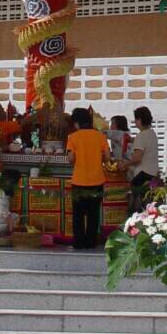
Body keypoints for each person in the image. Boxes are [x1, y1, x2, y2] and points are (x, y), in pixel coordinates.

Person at [66, 107, 111, 249]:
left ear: (76, 122)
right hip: (97, 180)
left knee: (78, 214)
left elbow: (71, 158)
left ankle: (78, 242)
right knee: (93, 213)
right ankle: (91, 242)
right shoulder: (100, 136)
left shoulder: (73, 137)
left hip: (79, 180)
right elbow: (107, 157)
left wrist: (78, 161)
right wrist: (97, 159)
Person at [125, 106, 161, 214]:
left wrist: (125, 164)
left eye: (135, 119)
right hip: (154, 173)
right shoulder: (152, 133)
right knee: (150, 205)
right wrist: (132, 140)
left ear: (139, 120)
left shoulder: (140, 136)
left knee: (137, 206)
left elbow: (137, 158)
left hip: (142, 174)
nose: (135, 122)